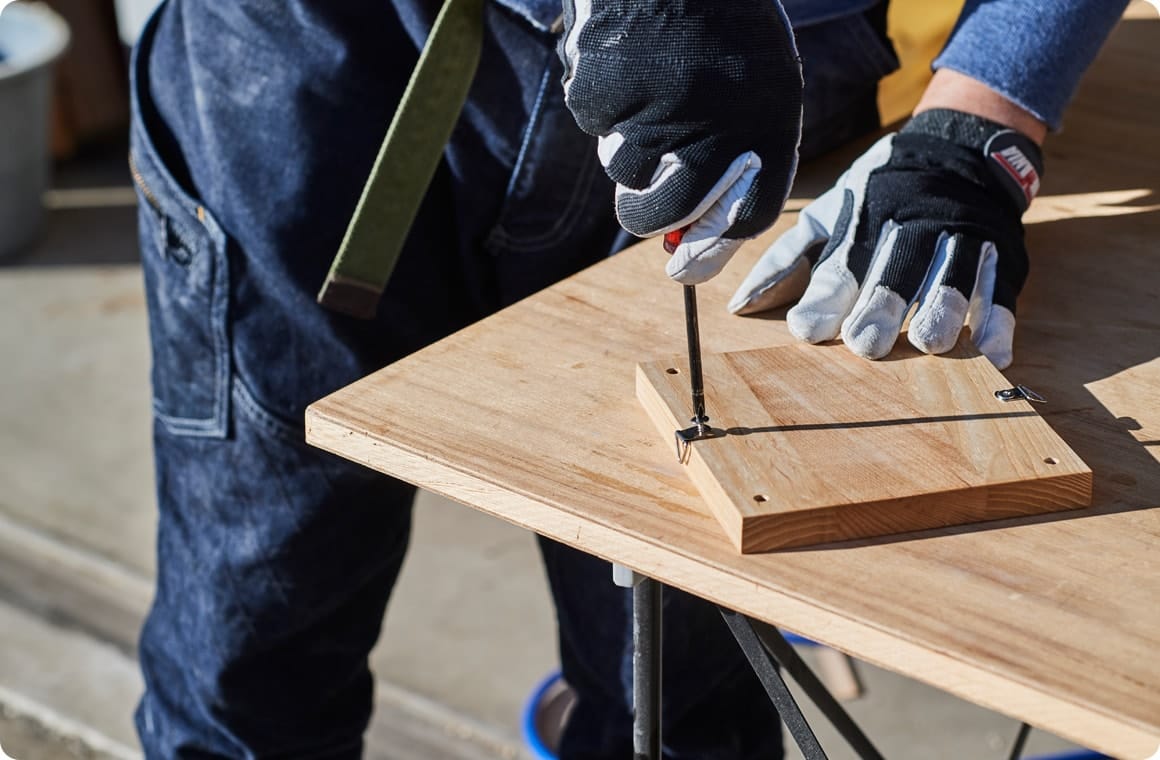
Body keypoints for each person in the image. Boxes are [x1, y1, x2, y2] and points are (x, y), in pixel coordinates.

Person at [127, 0, 1128, 757]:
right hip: (325, 58)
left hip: (762, 68)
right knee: (251, 638)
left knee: (670, 688)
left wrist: (983, 110)